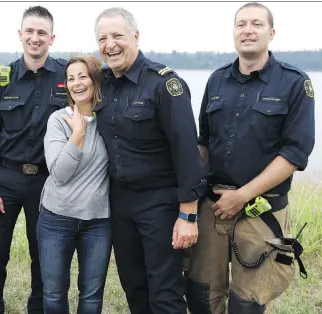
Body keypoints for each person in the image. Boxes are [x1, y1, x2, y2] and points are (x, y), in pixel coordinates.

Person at [185, 3, 315, 314]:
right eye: (241, 24)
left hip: (262, 210)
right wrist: (188, 195)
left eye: (256, 24)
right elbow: (204, 144)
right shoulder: (216, 80)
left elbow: (295, 152)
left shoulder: (295, 82)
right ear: (233, 33)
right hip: (213, 208)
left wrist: (242, 196)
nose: (247, 30)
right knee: (202, 298)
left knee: (249, 303)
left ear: (270, 33)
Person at [94, 7, 206, 314]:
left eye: (117, 35)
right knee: (134, 285)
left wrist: (188, 215)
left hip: (160, 203)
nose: (110, 44)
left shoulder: (164, 84)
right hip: (119, 203)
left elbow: (187, 151)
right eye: (102, 38)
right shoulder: (101, 83)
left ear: (136, 36)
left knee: (165, 291)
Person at [0, 6, 67, 313]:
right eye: (29, 31)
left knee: (44, 255)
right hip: (6, 179)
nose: (35, 38)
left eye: (42, 32)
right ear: (20, 34)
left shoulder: (69, 75)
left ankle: (39, 309)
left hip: (47, 182)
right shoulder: (0, 79)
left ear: (51, 37)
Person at [37, 55, 111, 314]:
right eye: (71, 78)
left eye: (83, 76)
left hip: (99, 221)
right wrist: (77, 134)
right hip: (57, 219)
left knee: (91, 296)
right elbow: (59, 173)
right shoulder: (59, 120)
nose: (76, 83)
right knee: (54, 294)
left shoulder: (110, 120)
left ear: (95, 80)